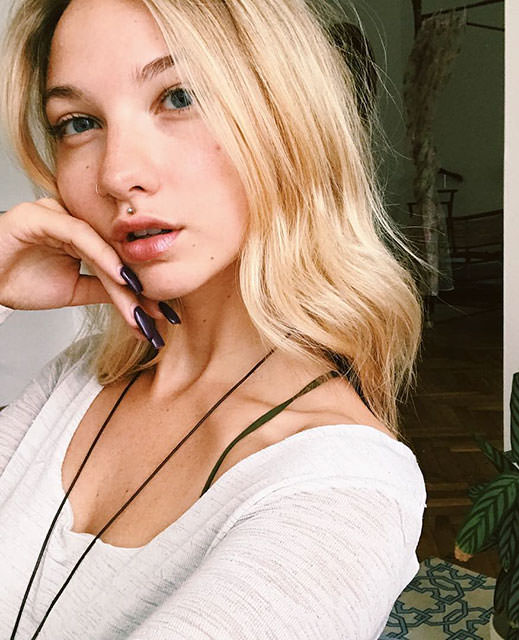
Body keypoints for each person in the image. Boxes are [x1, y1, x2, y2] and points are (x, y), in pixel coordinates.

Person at [0, 0, 427, 638]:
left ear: (288, 118)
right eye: (79, 122)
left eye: (180, 96)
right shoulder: (78, 381)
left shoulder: (343, 488)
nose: (117, 174)